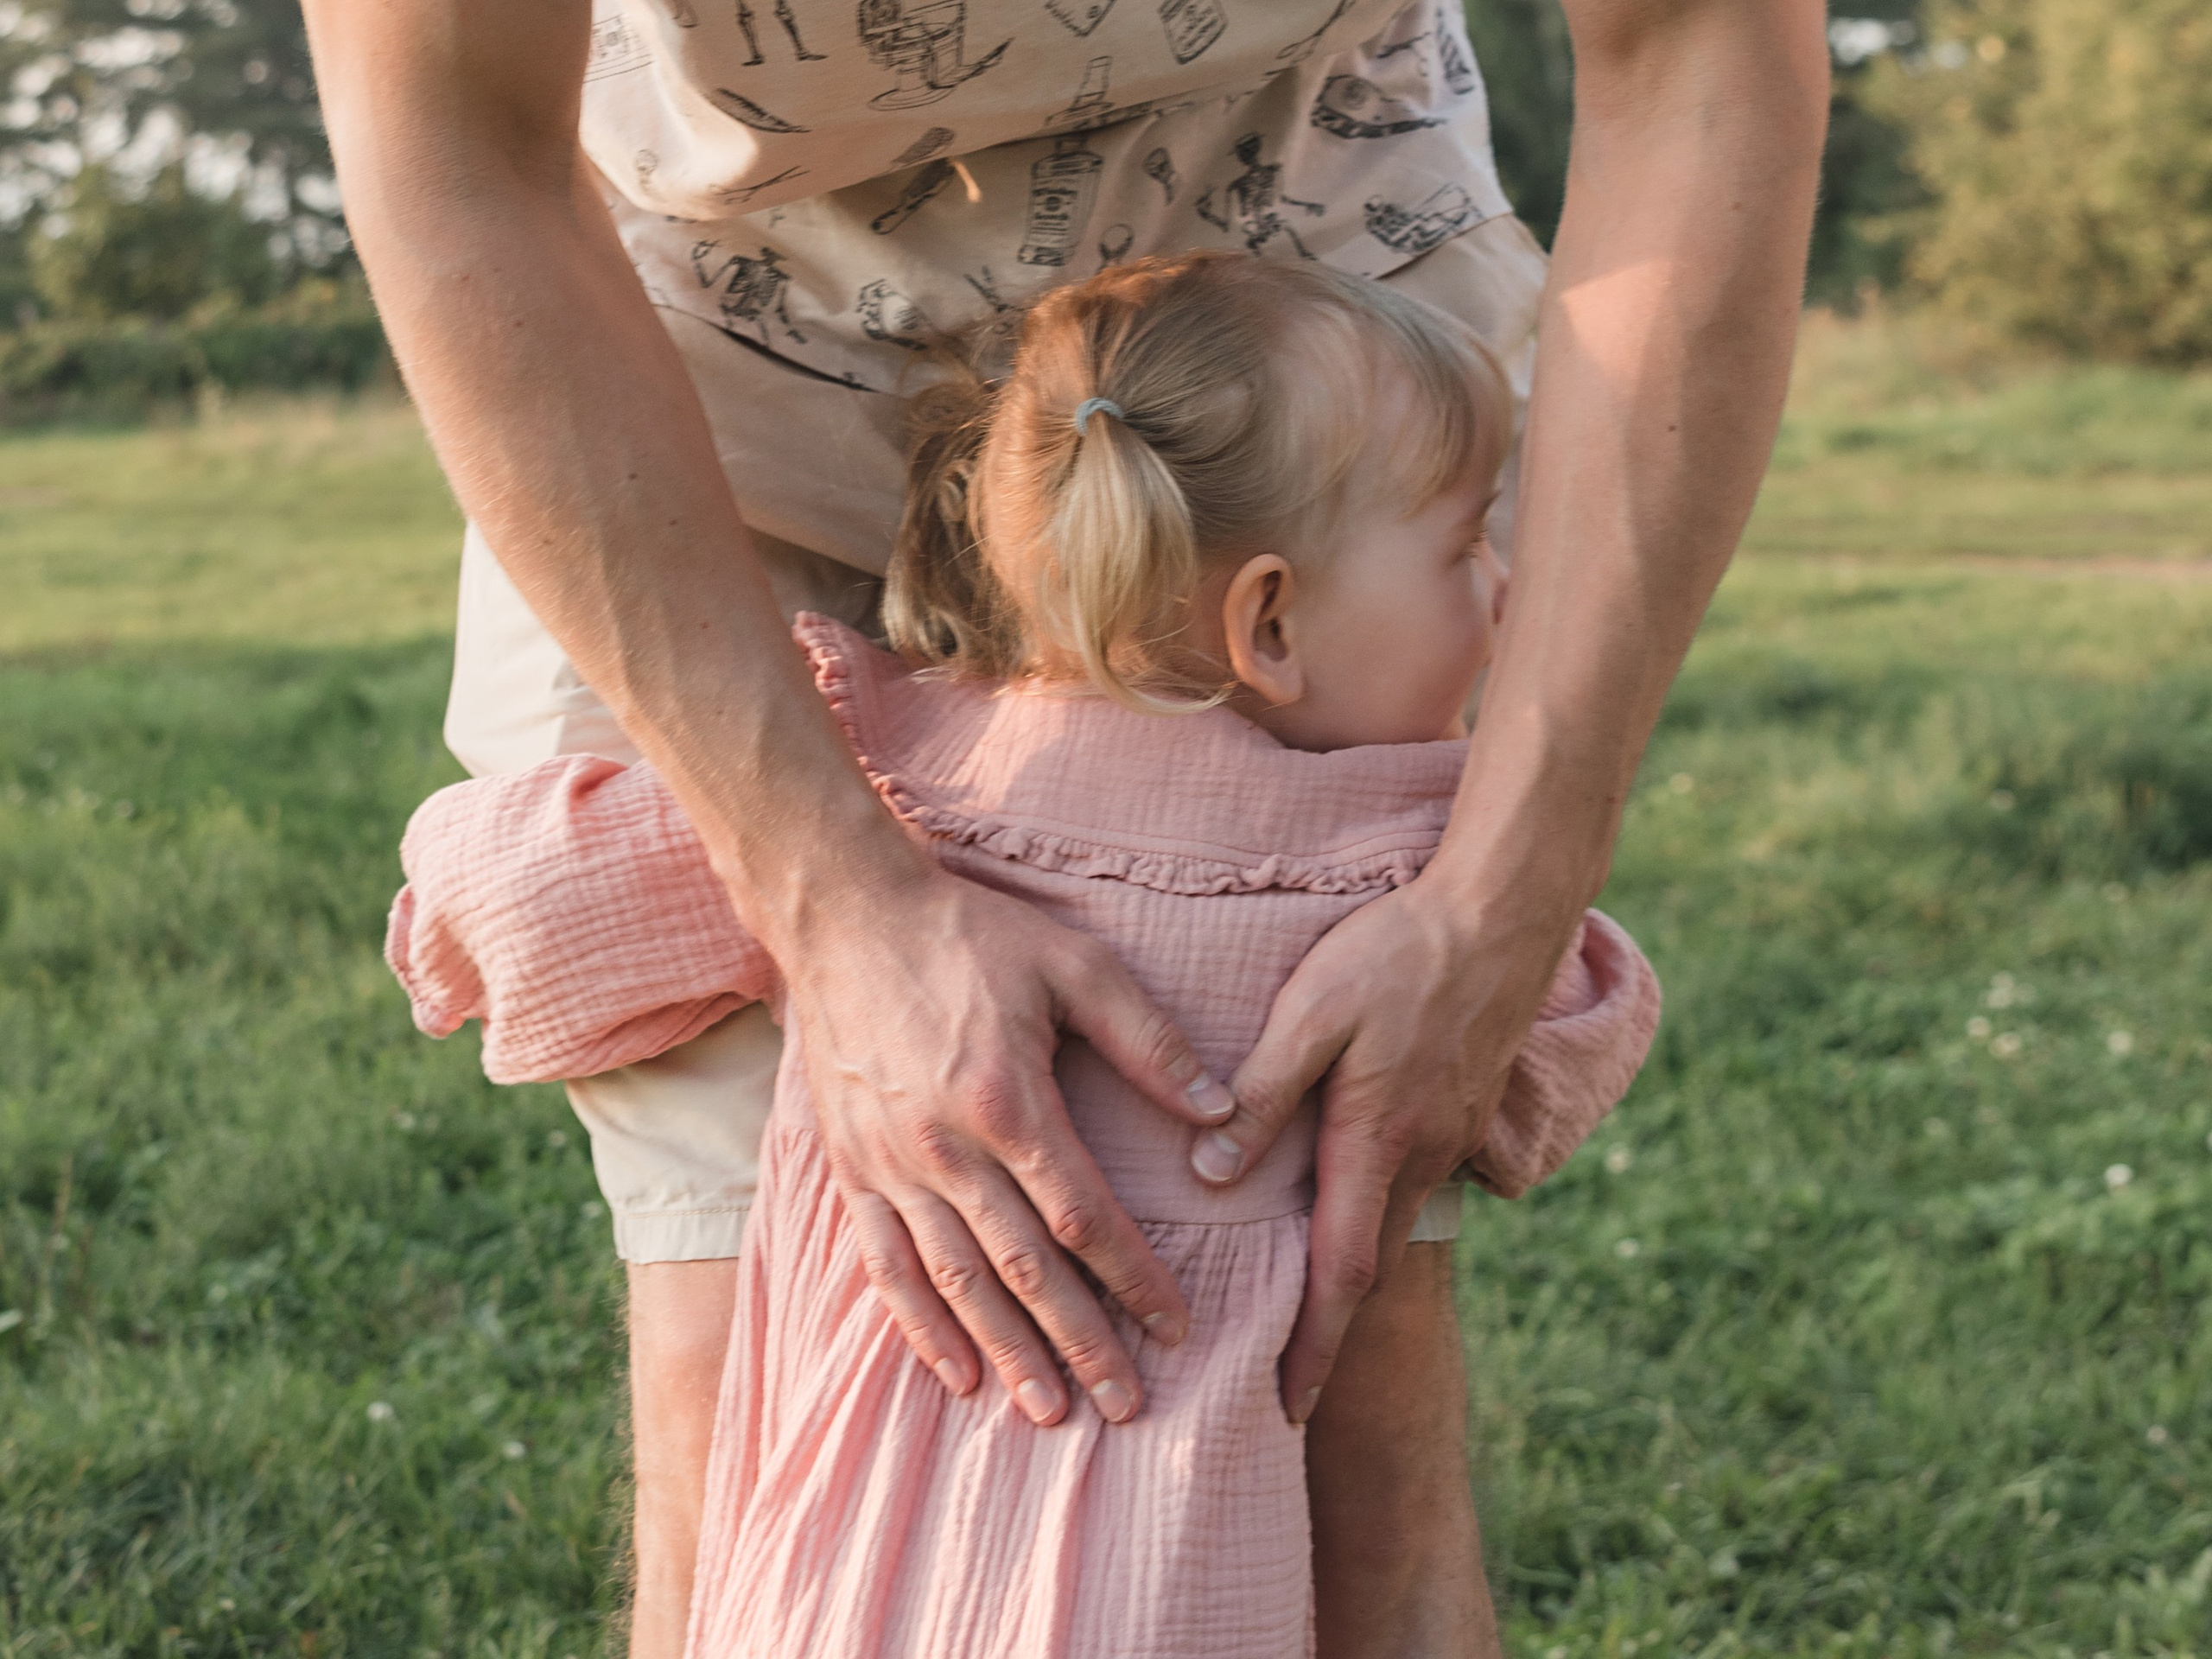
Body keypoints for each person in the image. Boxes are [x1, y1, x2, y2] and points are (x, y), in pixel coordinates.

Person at [302, 0, 1827, 1650]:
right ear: (1270, 633)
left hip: (1312, 365)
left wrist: (1498, 893)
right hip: (689, 367)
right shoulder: (1365, 824)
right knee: (732, 1331)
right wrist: (827, 898)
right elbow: (454, 140)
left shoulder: (1298, 796)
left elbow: (1701, 47)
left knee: (767, 1408)